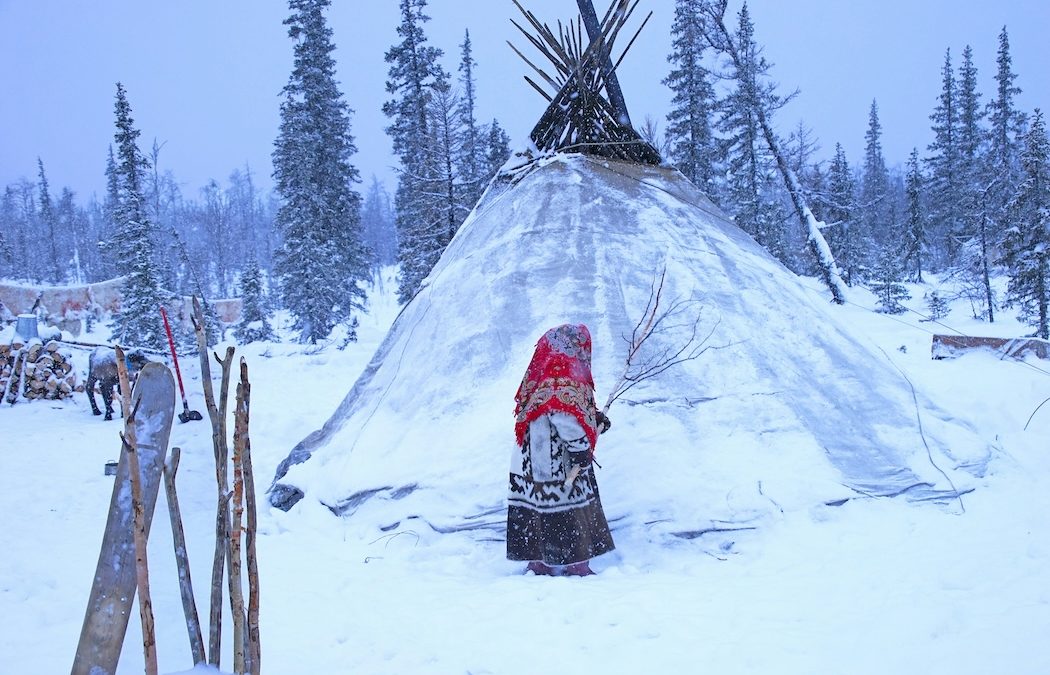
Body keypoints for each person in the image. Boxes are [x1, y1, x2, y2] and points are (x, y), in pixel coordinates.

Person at [507, 323, 614, 576]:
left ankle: (539, 562)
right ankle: (576, 565)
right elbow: (563, 415)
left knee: (538, 508)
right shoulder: (562, 377)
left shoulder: (542, 374)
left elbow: (569, 411)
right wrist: (580, 449)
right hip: (556, 461)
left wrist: (593, 418)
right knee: (569, 511)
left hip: (530, 459)